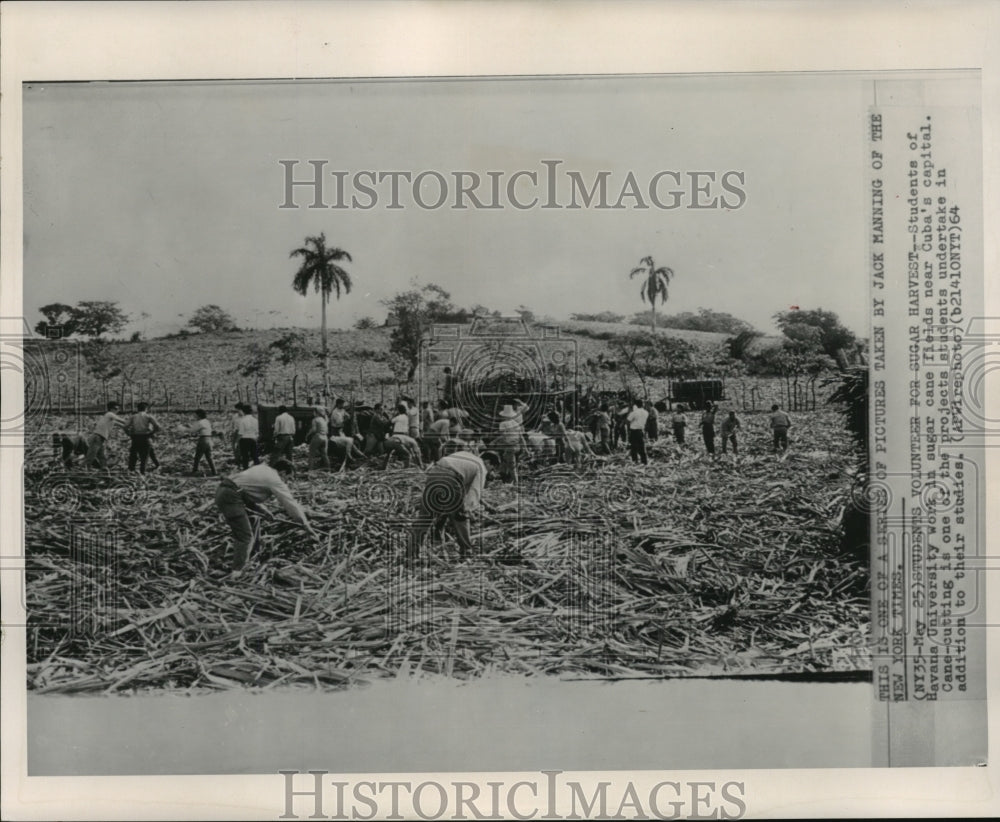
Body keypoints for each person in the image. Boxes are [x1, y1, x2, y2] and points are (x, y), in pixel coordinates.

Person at [214, 458, 320, 575]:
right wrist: (306, 527)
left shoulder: (263, 468)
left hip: (227, 491)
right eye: (288, 478)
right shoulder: (275, 480)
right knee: (244, 536)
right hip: (231, 497)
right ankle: (237, 572)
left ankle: (254, 556)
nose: (287, 482)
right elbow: (291, 505)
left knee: (254, 519)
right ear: (283, 473)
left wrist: (263, 510)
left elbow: (246, 490)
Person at [410, 450, 500, 561]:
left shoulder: (467, 456)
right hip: (452, 478)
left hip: (434, 473)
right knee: (460, 517)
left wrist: (487, 506)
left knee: (427, 515)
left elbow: (465, 491)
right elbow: (474, 492)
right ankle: (467, 553)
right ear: (488, 462)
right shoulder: (481, 467)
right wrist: (468, 510)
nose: (490, 471)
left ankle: (412, 552)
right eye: (492, 468)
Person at [85, 402, 127, 469]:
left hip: (100, 438)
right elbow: (122, 421)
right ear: (111, 409)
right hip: (97, 437)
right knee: (92, 454)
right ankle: (86, 468)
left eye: (118, 409)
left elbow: (123, 425)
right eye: (116, 408)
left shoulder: (110, 419)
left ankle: (104, 468)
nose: (117, 410)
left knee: (101, 454)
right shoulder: (109, 414)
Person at [176, 409, 217, 475]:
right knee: (209, 457)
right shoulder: (206, 421)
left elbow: (192, 431)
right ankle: (214, 471)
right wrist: (190, 426)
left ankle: (195, 471)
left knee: (197, 457)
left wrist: (182, 428)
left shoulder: (200, 422)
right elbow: (198, 428)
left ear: (199, 415)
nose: (195, 416)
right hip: (209, 439)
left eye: (196, 415)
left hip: (203, 440)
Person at [126, 401, 161, 474]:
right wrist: (151, 433)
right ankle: (142, 472)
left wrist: (129, 434)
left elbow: (125, 427)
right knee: (144, 456)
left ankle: (131, 471)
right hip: (145, 437)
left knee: (133, 455)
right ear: (146, 409)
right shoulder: (148, 416)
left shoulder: (133, 416)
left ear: (137, 409)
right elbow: (158, 427)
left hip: (135, 438)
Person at [625, 399, 649, 465]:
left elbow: (627, 421)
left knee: (634, 447)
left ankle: (635, 461)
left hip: (634, 431)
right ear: (643, 404)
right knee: (642, 447)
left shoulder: (634, 413)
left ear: (636, 405)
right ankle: (644, 461)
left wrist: (628, 429)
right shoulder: (646, 412)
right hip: (641, 430)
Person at [236, 404, 260, 469]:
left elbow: (241, 433)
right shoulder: (255, 420)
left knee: (245, 456)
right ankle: (259, 469)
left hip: (244, 439)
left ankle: (245, 470)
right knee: (255, 456)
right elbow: (257, 431)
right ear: (251, 411)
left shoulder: (243, 420)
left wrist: (237, 442)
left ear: (244, 411)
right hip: (253, 438)